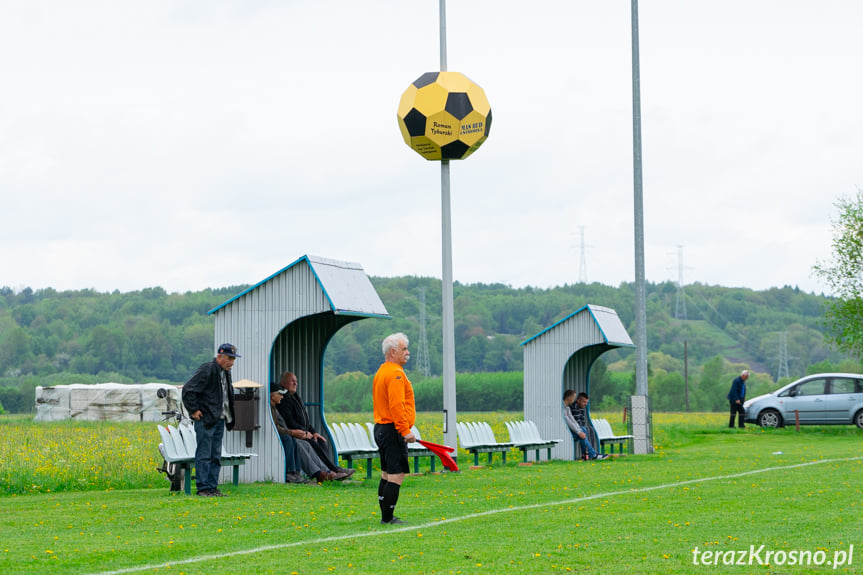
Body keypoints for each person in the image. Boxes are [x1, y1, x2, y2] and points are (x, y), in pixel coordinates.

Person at [181, 343, 239, 497]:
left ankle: (212, 487)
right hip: (206, 420)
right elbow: (188, 390)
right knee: (205, 454)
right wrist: (194, 410)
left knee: (215, 455)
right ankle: (203, 488)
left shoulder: (225, 372)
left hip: (220, 418)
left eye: (233, 359)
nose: (231, 362)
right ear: (219, 356)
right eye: (229, 358)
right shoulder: (207, 369)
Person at [276, 371, 355, 479]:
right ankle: (329, 471)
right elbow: (289, 421)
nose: (295, 384)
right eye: (292, 381)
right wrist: (304, 433)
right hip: (294, 433)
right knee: (311, 443)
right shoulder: (284, 399)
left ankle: (330, 470)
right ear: (283, 383)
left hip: (301, 432)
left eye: (296, 381)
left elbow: (304, 420)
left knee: (320, 441)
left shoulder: (294, 397)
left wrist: (313, 432)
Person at [372, 332, 416, 525]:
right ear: (393, 352)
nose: (408, 352)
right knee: (396, 475)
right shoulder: (396, 373)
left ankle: (385, 516)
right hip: (392, 430)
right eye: (404, 349)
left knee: (386, 474)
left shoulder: (382, 371)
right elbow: (397, 405)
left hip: (381, 428)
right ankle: (387, 518)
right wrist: (405, 430)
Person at [269, 383, 311, 484]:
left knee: (291, 439)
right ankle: (289, 472)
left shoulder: (274, 408)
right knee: (288, 439)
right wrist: (292, 432)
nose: (282, 397)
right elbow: (275, 428)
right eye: (280, 394)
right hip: (274, 436)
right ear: (272, 395)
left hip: (282, 434)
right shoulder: (270, 408)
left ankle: (295, 471)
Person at [563, 390, 608, 461]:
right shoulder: (562, 408)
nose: (574, 400)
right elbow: (568, 422)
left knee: (583, 431)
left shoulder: (567, 408)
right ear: (570, 398)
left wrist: (579, 431)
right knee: (582, 433)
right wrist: (579, 432)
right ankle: (592, 455)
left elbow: (573, 421)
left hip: (571, 430)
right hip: (565, 431)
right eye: (574, 398)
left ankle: (587, 455)